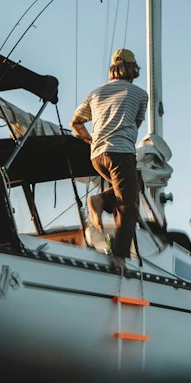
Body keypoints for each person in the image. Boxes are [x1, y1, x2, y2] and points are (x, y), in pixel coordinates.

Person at [71, 49, 148, 268]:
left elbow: (75, 123)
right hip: (121, 154)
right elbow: (134, 127)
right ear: (133, 69)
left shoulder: (95, 93)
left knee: (135, 184)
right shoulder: (140, 94)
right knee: (129, 206)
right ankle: (119, 258)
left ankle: (102, 200)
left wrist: (91, 139)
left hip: (97, 156)